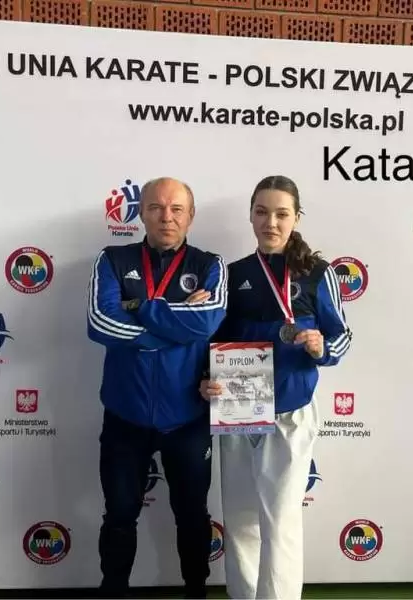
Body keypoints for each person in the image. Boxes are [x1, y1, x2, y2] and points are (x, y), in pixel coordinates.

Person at [199, 175, 352, 600]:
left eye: (282, 214)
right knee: (241, 520)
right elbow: (213, 341)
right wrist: (205, 378)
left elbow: (341, 335)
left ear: (296, 217)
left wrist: (322, 346)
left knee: (280, 522)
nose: (271, 222)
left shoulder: (317, 273)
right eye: (262, 212)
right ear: (250, 216)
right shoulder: (233, 275)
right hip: (239, 409)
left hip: (290, 409)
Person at [87, 177, 228, 599]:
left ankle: (196, 591)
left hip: (187, 417)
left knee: (193, 515)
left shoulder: (210, 264)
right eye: (156, 207)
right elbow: (100, 323)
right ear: (141, 213)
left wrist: (140, 308)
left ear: (191, 215)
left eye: (176, 208)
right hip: (125, 416)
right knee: (119, 515)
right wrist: (176, 322)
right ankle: (113, 592)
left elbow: (207, 321)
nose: (167, 217)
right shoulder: (113, 259)